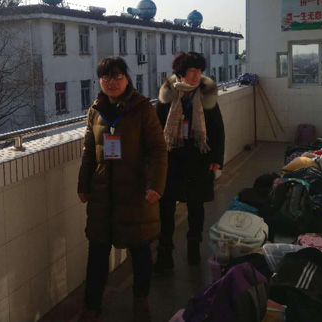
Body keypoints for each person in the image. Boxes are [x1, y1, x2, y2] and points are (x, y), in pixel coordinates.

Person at [77, 56, 168, 322]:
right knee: (97, 254)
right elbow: (88, 152)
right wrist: (83, 184)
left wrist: (156, 185)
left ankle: (141, 301)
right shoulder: (95, 110)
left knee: (140, 252)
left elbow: (158, 149)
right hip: (102, 195)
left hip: (135, 193)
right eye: (105, 77)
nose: (111, 82)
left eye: (117, 76)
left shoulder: (142, 108)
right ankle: (91, 307)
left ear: (127, 79)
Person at [153, 51, 225, 272]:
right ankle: (165, 252)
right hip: (171, 159)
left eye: (199, 70)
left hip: (199, 159)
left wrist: (217, 158)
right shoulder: (167, 96)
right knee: (166, 207)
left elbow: (217, 129)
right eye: (191, 71)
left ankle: (194, 246)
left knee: (196, 205)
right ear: (180, 73)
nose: (196, 75)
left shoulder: (206, 95)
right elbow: (156, 129)